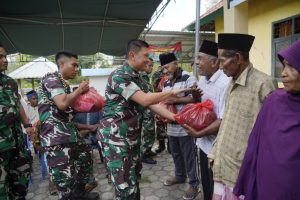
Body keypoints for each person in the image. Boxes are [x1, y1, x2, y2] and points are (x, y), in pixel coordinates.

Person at [97, 39, 191, 200]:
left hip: (131, 139)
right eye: (146, 55)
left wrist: (177, 118)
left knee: (134, 181)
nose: (149, 59)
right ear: (132, 55)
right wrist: (172, 92)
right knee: (124, 188)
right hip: (116, 141)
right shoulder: (119, 75)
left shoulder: (139, 78)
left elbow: (153, 104)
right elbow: (145, 100)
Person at [206, 33, 278, 200]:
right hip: (222, 166)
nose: (219, 66)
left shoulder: (264, 84)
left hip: (242, 173)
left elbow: (269, 136)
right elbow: (226, 123)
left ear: (237, 58)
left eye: (222, 60)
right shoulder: (231, 82)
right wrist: (214, 152)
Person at [233, 40, 300, 200]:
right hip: (264, 187)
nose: (283, 73)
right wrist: (241, 186)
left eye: (291, 66)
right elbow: (254, 143)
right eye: (284, 65)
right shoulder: (274, 100)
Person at [38, 51, 99, 200]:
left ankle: (80, 194)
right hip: (56, 138)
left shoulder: (63, 84)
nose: (76, 68)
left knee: (85, 159)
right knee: (64, 179)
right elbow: (62, 103)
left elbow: (68, 111)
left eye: (77, 65)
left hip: (69, 133)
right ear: (62, 64)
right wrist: (80, 90)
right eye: (74, 65)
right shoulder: (51, 79)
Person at [183, 40, 231, 200]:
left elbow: (223, 120)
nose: (197, 63)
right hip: (204, 145)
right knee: (207, 186)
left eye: (200, 58)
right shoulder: (202, 80)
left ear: (214, 62)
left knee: (217, 188)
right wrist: (196, 99)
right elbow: (201, 109)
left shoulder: (226, 84)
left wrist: (198, 133)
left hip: (217, 150)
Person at [160, 52, 200, 200]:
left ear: (176, 63)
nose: (166, 70)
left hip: (186, 126)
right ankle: (179, 176)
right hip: (171, 126)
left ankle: (194, 183)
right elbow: (164, 100)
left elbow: (196, 98)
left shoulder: (188, 77)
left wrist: (175, 100)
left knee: (189, 155)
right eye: (163, 68)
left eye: (168, 67)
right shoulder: (165, 83)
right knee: (175, 154)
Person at [0, 43, 33, 199]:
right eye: (0, 57)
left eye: (5, 56)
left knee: (21, 184)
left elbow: (18, 104)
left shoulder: (10, 82)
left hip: (17, 144)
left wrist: (27, 124)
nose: (5, 60)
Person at [26, 90, 58, 195]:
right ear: (29, 100)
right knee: (49, 161)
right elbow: (27, 128)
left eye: (37, 98)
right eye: (33, 99)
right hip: (38, 139)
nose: (36, 100)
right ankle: (52, 186)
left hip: (51, 137)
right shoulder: (26, 110)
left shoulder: (44, 108)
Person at [140, 58, 157, 164]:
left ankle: (148, 150)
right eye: (149, 65)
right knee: (147, 132)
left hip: (149, 110)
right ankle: (144, 154)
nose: (151, 68)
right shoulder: (142, 77)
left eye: (152, 66)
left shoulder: (145, 77)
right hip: (145, 111)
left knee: (150, 132)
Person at [151, 66, 167, 154]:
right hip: (159, 100)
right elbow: (155, 87)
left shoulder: (171, 72)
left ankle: (171, 147)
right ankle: (161, 145)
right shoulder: (157, 73)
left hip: (169, 101)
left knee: (169, 123)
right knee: (160, 124)